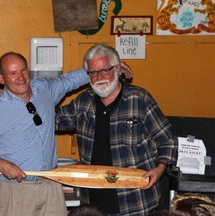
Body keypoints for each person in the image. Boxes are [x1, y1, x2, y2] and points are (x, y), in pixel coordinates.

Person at [0, 51, 132, 216]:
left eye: (23, 70)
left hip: (51, 184)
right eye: (13, 73)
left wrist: (105, 69)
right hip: (16, 189)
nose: (21, 77)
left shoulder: (43, 89)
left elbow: (68, 81)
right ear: (1, 79)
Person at [55, 44, 178, 216]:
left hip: (134, 200)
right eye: (93, 72)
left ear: (118, 68)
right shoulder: (83, 102)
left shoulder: (139, 99)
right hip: (92, 204)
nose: (99, 77)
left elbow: (167, 139)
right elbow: (50, 120)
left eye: (105, 70)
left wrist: (161, 168)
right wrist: (40, 93)